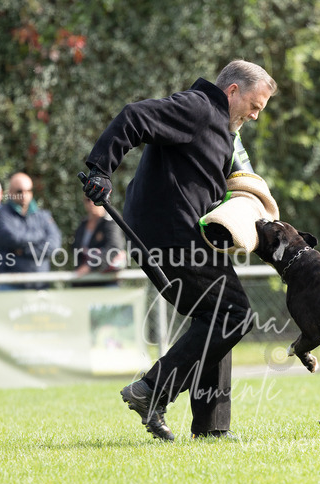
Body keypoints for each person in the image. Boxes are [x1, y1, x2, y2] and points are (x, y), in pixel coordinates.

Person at [82, 59, 277, 441]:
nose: (255, 115)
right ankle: (152, 389)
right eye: (254, 105)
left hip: (185, 232)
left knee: (216, 317)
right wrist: (100, 169)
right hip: (170, 233)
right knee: (234, 313)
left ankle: (211, 426)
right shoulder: (199, 108)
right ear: (232, 90)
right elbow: (134, 116)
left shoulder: (223, 129)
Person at [0, 172, 63, 291]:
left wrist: (23, 251)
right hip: (8, 286)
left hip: (39, 286)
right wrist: (40, 235)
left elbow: (54, 244)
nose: (24, 195)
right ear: (10, 192)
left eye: (28, 190)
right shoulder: (0, 216)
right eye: (19, 191)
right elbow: (13, 239)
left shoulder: (43, 215)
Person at [72, 199, 126, 286]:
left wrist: (90, 266)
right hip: (84, 281)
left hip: (107, 280)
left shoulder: (111, 221)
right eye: (88, 200)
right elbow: (76, 249)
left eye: (94, 199)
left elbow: (114, 248)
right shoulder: (83, 224)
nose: (91, 203)